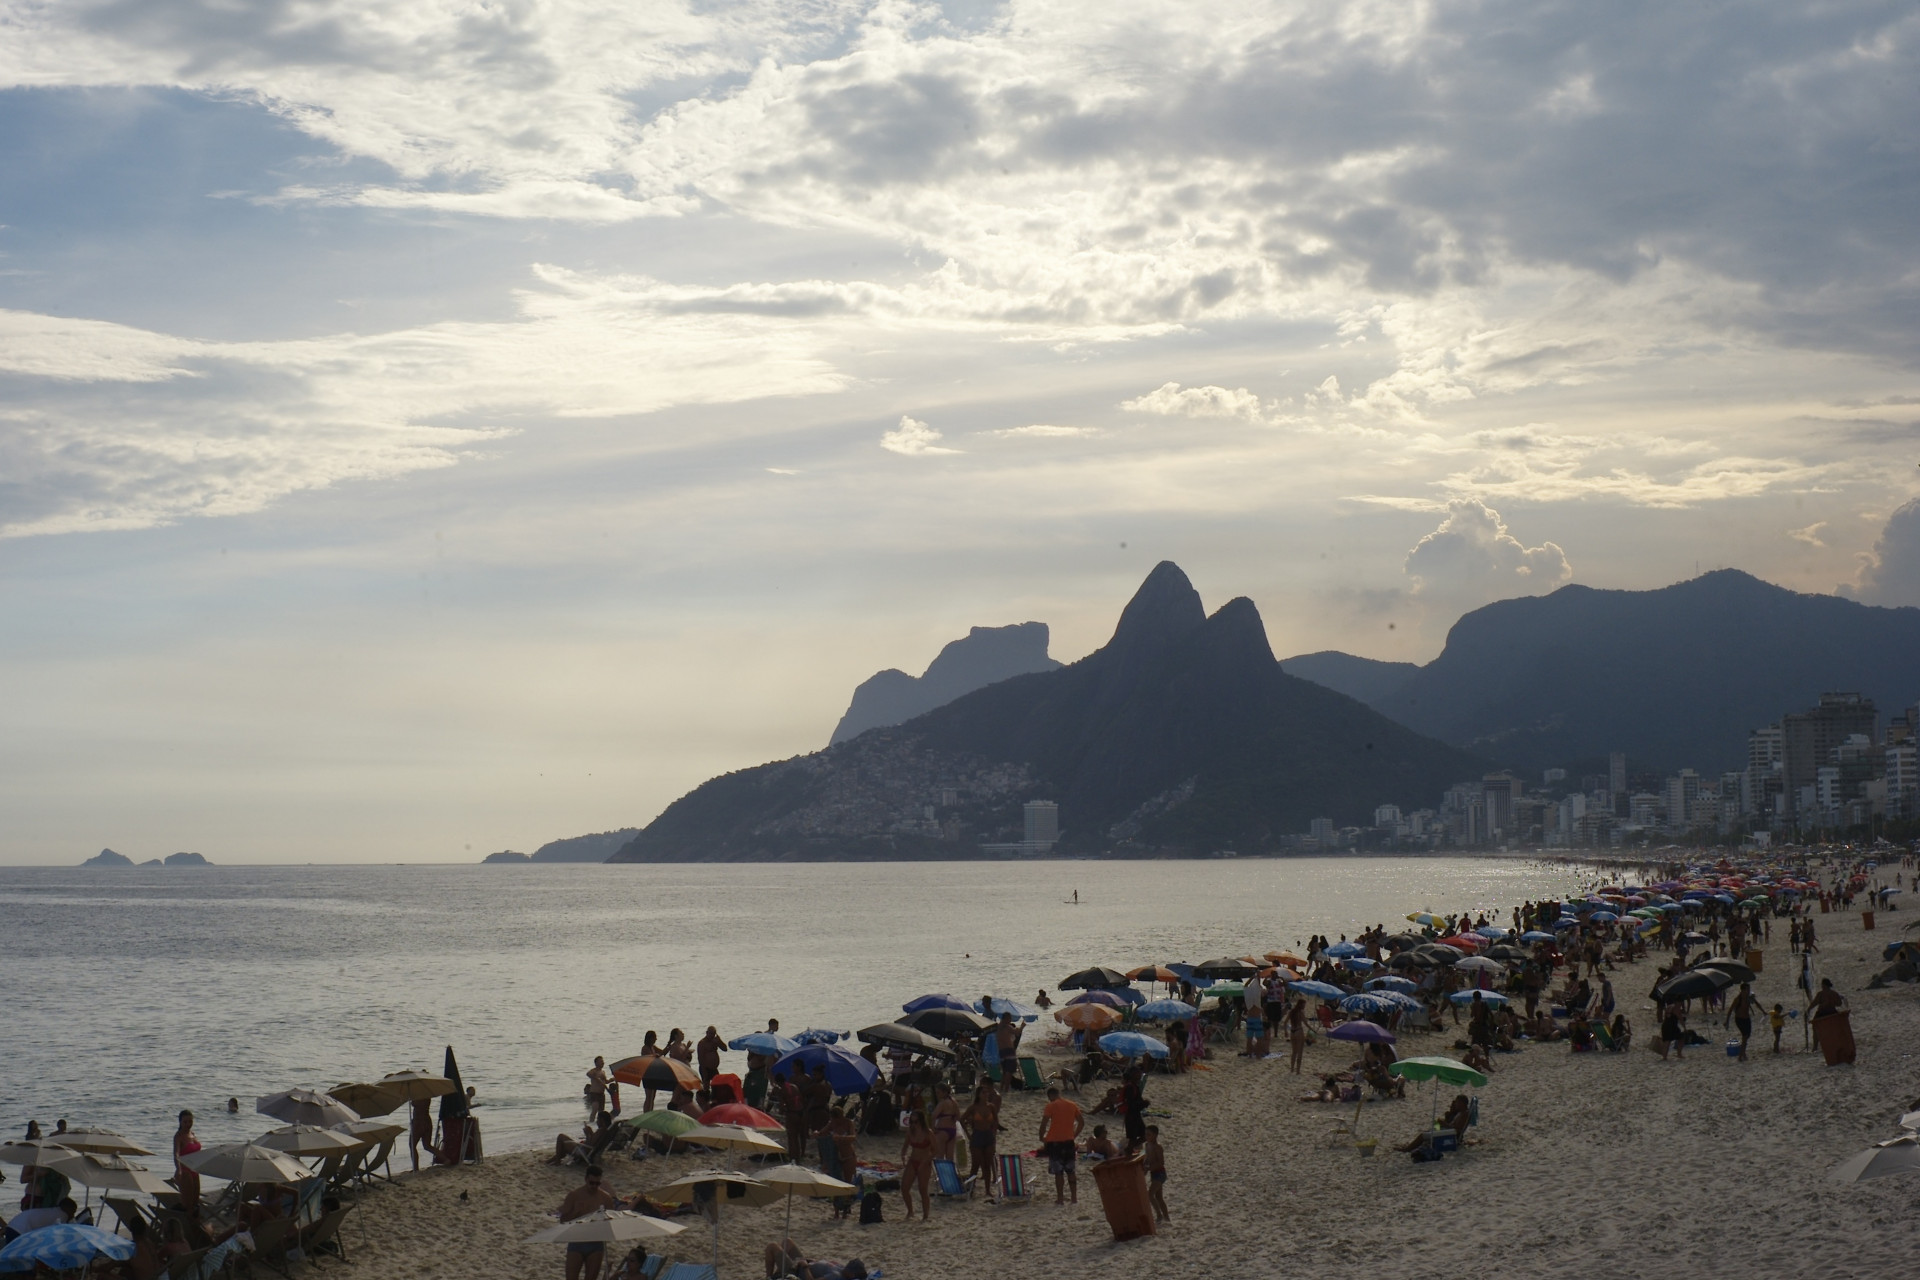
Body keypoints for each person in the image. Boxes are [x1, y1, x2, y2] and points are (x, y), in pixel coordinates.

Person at [557, 1165, 621, 1280]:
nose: (594, 1186)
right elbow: (563, 1221)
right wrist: (575, 1212)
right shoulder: (574, 1196)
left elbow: (611, 1222)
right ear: (586, 1179)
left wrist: (605, 1219)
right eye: (592, 1183)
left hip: (596, 1243)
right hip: (577, 1241)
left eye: (597, 1183)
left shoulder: (605, 1198)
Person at [1038, 1086, 1084, 1205]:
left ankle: (1060, 1199)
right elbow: (1081, 1122)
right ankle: (1074, 1198)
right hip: (1069, 1141)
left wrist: (1041, 1137)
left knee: (1058, 1172)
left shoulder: (1051, 1106)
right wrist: (1074, 1135)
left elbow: (1044, 1124)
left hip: (1055, 1143)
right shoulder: (1072, 1104)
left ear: (1050, 1096)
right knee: (1071, 1171)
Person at [960, 1086, 999, 1198]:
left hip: (988, 1136)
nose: (986, 1094)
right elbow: (961, 1119)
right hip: (977, 1136)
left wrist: (994, 1134)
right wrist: (968, 1134)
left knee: (987, 1164)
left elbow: (996, 1121)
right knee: (976, 1164)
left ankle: (987, 1190)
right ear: (978, 1094)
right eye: (983, 1093)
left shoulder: (991, 1107)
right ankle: (971, 1189)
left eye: (987, 1092)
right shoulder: (973, 1107)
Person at [898, 1112, 933, 1221]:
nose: (913, 1124)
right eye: (911, 1122)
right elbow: (905, 1147)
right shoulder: (910, 1132)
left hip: (924, 1163)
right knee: (904, 1188)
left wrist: (926, 1160)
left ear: (921, 1121)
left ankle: (925, 1215)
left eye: (916, 1122)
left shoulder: (928, 1133)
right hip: (913, 1161)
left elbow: (936, 1150)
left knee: (923, 1190)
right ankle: (910, 1211)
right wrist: (903, 1155)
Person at [172, 1111, 201, 1217]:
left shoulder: (193, 1134)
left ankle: (195, 1223)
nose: (188, 1124)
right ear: (180, 1122)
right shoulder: (178, 1136)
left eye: (190, 1121)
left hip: (195, 1170)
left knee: (195, 1202)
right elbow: (176, 1154)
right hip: (185, 1171)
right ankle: (187, 1223)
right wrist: (178, 1169)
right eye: (185, 1122)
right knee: (188, 1205)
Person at [1726, 983, 1760, 1062]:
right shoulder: (1738, 999)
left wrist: (1763, 1011)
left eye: (1749, 989)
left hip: (1747, 1019)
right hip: (1739, 1019)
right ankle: (1740, 1056)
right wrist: (1727, 1021)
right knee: (1745, 1037)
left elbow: (1757, 1004)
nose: (1748, 991)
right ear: (1743, 990)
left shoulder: (1749, 997)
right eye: (1747, 989)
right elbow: (1730, 1010)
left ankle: (1743, 1053)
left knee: (1747, 1036)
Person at [1142, 1125, 1169, 1223]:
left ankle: (1159, 1215)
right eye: (1146, 1134)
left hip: (1160, 1174)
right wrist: (1145, 1166)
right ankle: (1167, 1218)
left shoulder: (1158, 1147)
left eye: (1149, 1135)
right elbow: (1147, 1158)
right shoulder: (1147, 1145)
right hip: (1153, 1174)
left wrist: (1149, 1168)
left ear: (1155, 1135)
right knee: (1159, 1197)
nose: (1146, 1136)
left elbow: (1161, 1162)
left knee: (1150, 1194)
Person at [929, 1085, 961, 1162]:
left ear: (945, 1092)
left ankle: (941, 1170)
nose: (937, 1094)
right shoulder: (954, 1102)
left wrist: (933, 1128)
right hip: (952, 1130)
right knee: (950, 1158)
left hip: (942, 1130)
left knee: (940, 1156)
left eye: (938, 1092)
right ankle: (950, 1170)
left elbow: (933, 1116)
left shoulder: (942, 1103)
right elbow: (958, 1117)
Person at [409, 1095, 435, 1173]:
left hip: (419, 1122)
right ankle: (445, 1159)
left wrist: (412, 1100)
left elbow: (416, 1104)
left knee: (412, 1145)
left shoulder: (419, 1096)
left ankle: (415, 1168)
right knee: (427, 1145)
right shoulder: (427, 1095)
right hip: (427, 1120)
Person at [1286, 998, 1309, 1074]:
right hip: (1299, 1031)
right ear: (1301, 1005)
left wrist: (1285, 1032)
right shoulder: (1300, 1012)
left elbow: (1285, 1022)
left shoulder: (1291, 1012)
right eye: (1304, 1005)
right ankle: (1298, 1071)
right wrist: (1313, 1030)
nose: (1304, 1006)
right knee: (1300, 1052)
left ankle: (1292, 1069)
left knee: (1294, 1052)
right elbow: (1306, 1023)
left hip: (1292, 1032)